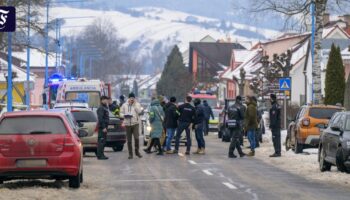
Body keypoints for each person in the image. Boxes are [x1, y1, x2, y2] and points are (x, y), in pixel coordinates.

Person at [120, 92, 143, 159]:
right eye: (131, 98)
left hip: (135, 123)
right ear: (128, 98)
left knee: (136, 138)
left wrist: (134, 105)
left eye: (133, 98)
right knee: (129, 140)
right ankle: (130, 154)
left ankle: (137, 151)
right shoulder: (124, 105)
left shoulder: (137, 104)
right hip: (127, 124)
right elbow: (120, 113)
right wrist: (124, 115)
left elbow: (139, 112)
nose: (132, 99)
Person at [96, 96, 110, 160]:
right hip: (102, 128)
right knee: (101, 142)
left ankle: (102, 154)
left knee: (103, 141)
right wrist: (104, 127)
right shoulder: (101, 108)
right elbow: (101, 119)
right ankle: (100, 155)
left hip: (105, 127)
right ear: (102, 100)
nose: (106, 101)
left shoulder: (105, 107)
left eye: (107, 100)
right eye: (105, 100)